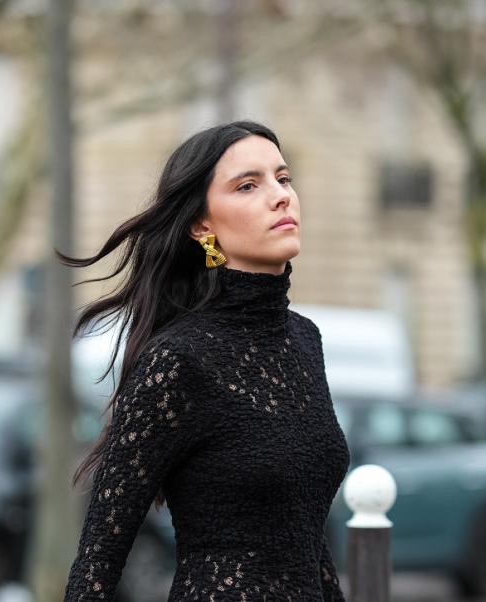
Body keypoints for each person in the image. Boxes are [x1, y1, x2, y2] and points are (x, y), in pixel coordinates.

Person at [60, 121, 350, 601]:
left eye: (283, 178)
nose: (280, 196)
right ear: (202, 225)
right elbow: (99, 558)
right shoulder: (179, 360)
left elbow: (304, 537)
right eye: (248, 185)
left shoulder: (305, 341)